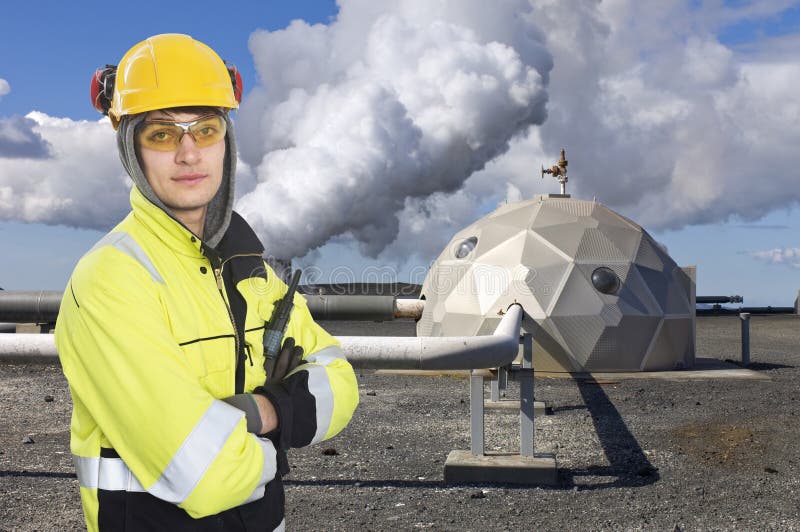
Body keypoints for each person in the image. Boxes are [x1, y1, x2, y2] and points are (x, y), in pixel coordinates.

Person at [55, 33, 359, 531]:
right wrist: (274, 452)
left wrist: (265, 412)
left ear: (227, 141)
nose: (189, 153)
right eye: (161, 134)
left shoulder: (254, 272)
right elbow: (206, 474)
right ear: (130, 148)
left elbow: (340, 383)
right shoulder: (111, 280)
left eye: (206, 129)